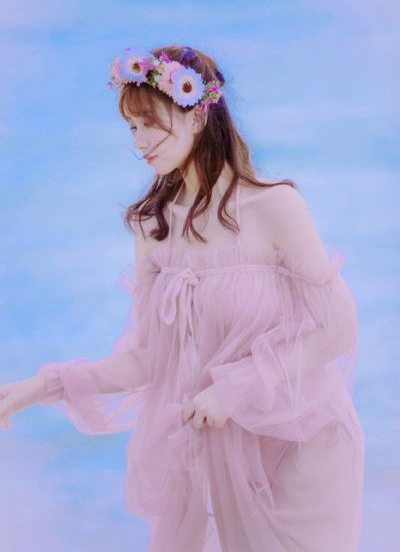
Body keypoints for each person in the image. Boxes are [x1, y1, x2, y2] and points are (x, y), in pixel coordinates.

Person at [0, 44, 365, 552]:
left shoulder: (275, 205)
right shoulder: (153, 226)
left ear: (197, 115)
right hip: (223, 453)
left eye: (150, 123)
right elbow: (150, 358)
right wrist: (43, 385)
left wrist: (234, 390)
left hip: (301, 445)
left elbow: (338, 330)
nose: (139, 141)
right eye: (131, 127)